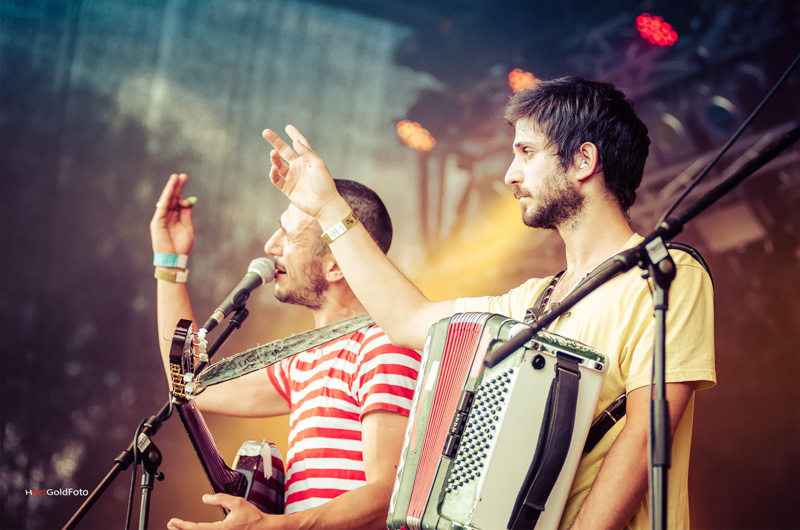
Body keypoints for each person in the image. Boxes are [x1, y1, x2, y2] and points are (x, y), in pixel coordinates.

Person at [262, 76, 716, 529]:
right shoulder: (532, 300)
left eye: (527, 152)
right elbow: (408, 319)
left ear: (584, 160)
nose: (510, 174)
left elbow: (644, 437)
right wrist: (329, 209)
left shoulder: (667, 273)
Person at [150, 173, 421, 529]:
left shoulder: (383, 345)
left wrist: (266, 527)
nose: (271, 245)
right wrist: (170, 264)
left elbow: (388, 497)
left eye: (290, 236)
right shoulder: (305, 360)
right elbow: (191, 386)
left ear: (335, 265)